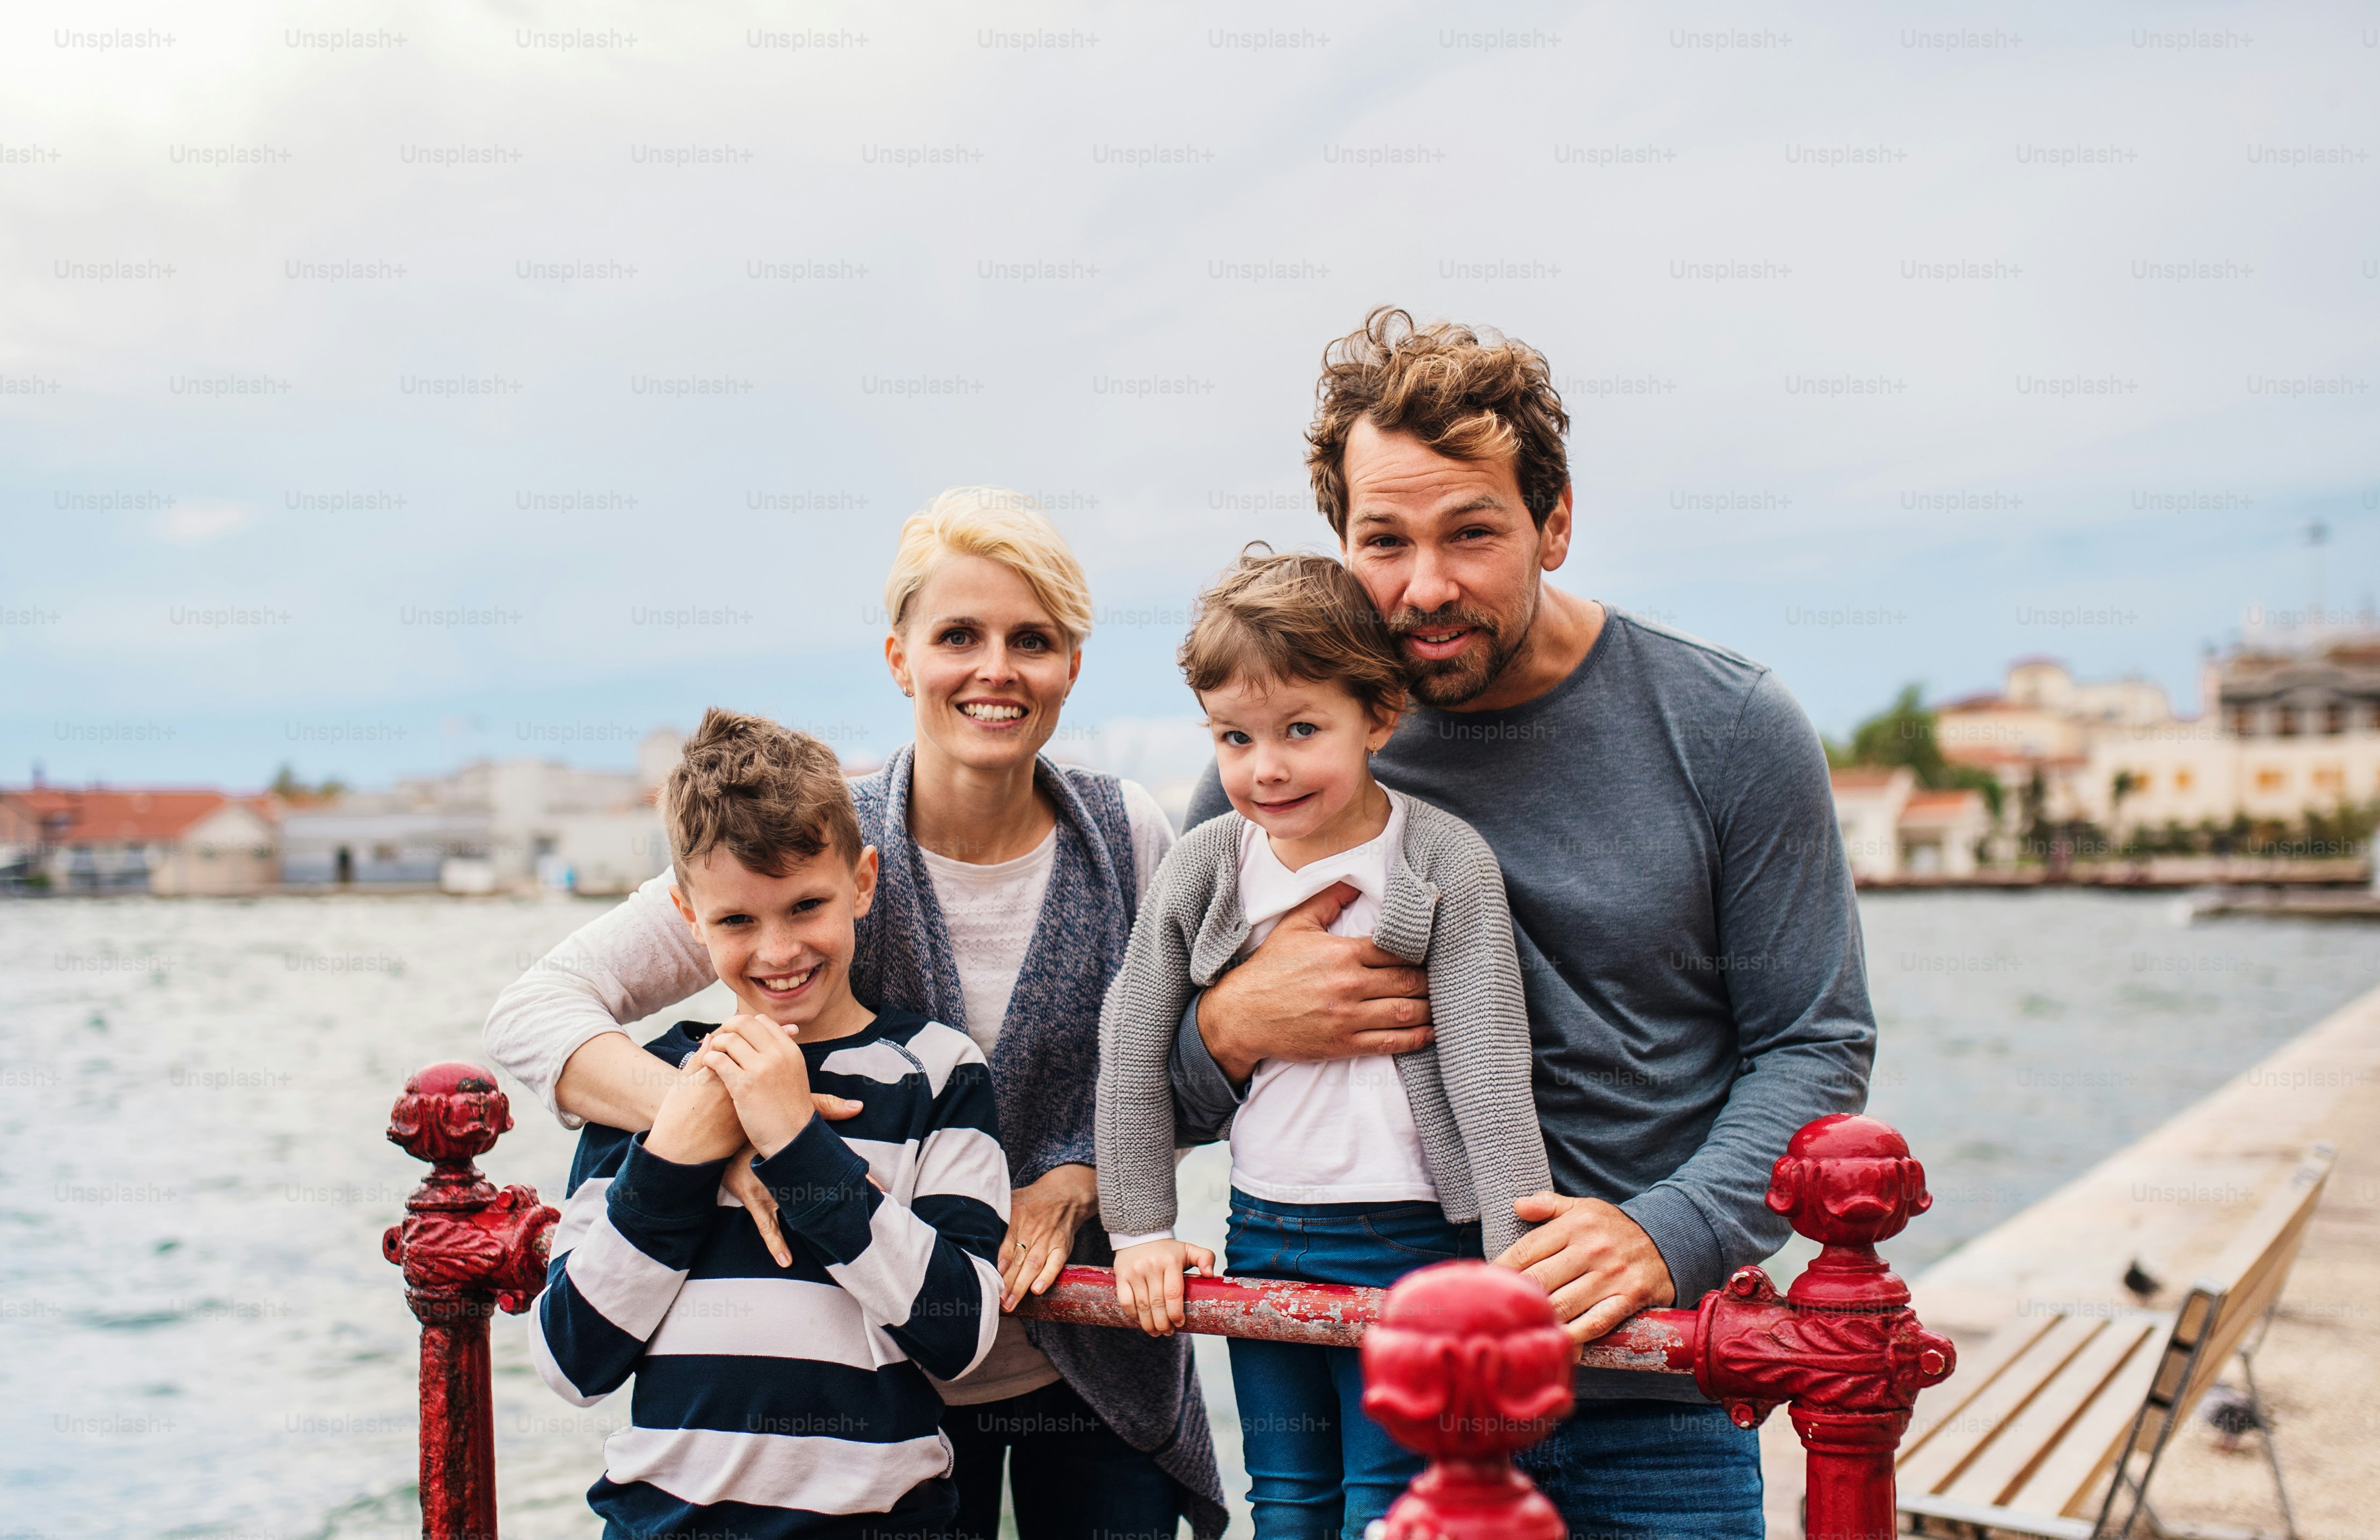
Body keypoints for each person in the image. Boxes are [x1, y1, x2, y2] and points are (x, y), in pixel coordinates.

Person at [1167, 310, 1877, 1538]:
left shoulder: (1731, 727)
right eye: (1382, 541)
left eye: (1473, 532)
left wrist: (1670, 1235)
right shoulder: (1279, 751)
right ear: (1341, 540)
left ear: (1554, 521)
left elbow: (1815, 1044)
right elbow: (1151, 1079)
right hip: (1361, 1381)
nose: (1424, 586)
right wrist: (1231, 1026)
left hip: (1642, 1376)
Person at [487, 490, 1226, 1540]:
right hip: (883, 1394)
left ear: (1072, 662)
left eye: (1034, 640)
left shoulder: (1126, 835)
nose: (995, 669)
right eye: (958, 635)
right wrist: (720, 1128)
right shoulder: (816, 847)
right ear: (899, 657)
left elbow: (1193, 1063)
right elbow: (536, 1007)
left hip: (1091, 1356)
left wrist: (1085, 1178)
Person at [1097, 551, 1551, 1539]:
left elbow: (1486, 1065)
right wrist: (1139, 1231)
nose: (1265, 767)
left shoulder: (1438, 859)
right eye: (1235, 735)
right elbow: (1131, 1038)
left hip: (1416, 1242)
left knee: (1384, 1502)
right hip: (1264, 1233)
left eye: (1302, 729)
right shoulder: (1205, 864)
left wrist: (1514, 1260)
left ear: (1378, 715)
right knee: (1288, 1498)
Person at [530, 711, 1008, 1538]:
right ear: (688, 916)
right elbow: (573, 1359)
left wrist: (796, 1144)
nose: (778, 949)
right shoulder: (649, 1091)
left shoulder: (937, 1070)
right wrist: (680, 1150)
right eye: (737, 921)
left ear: (861, 882)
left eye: (805, 905)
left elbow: (958, 1330)